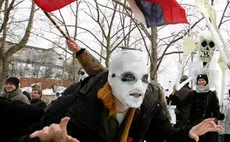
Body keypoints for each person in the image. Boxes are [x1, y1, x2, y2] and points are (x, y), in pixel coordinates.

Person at [13, 39, 222, 142]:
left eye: (144, 79)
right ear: (111, 78)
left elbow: (164, 135)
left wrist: (188, 133)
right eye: (128, 78)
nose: (138, 86)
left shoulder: (148, 106)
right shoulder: (72, 107)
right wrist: (43, 140)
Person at [179, 73, 224, 142]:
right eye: (199, 80)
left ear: (206, 82)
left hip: (207, 124)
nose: (201, 82)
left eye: (203, 80)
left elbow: (215, 109)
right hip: (194, 124)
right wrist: (174, 98)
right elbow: (183, 104)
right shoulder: (193, 93)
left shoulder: (211, 94)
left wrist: (219, 115)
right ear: (197, 82)